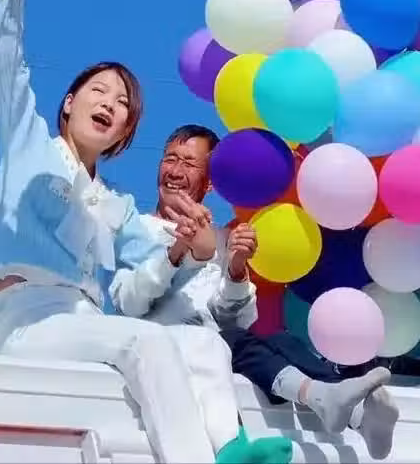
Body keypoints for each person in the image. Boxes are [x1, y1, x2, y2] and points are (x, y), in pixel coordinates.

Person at [0, 0, 292, 464]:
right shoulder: (29, 146)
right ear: (69, 103)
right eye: (99, 91)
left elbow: (166, 262)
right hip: (27, 320)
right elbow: (6, 67)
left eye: (122, 102)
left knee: (202, 345)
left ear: (124, 131)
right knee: (146, 341)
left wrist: (194, 244)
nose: (109, 102)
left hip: (86, 324)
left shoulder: (115, 205)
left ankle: (231, 448)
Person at [123, 123, 401, 462]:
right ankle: (338, 404)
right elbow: (131, 303)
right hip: (169, 346)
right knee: (230, 340)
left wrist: (237, 268)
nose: (176, 171)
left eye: (189, 163)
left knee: (275, 339)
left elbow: (235, 317)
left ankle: (356, 411)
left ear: (209, 183)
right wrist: (179, 251)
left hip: (223, 351)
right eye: (170, 159)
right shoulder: (136, 226)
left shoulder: (221, 238)